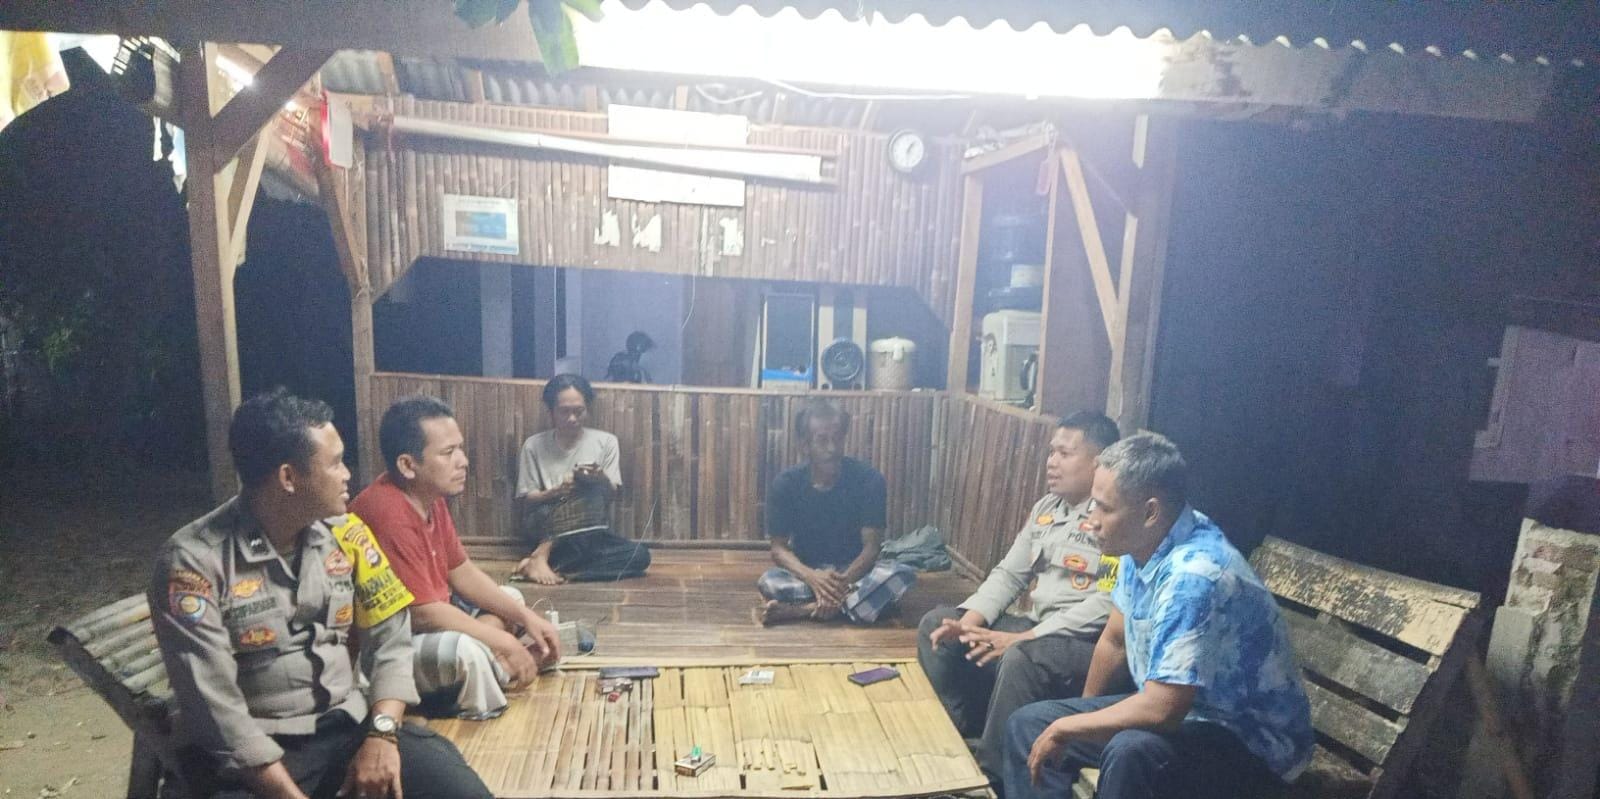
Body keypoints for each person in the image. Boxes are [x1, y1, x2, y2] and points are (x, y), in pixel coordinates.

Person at [148, 388, 490, 799]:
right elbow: (216, 708)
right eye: (335, 463)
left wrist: (382, 735)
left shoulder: (347, 534)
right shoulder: (194, 562)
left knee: (459, 789)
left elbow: (391, 639)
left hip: (347, 731)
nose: (347, 475)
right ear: (288, 478)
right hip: (253, 763)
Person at [1004, 433, 1314, 799]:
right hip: (1186, 718)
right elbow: (1114, 641)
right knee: (1030, 724)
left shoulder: (1194, 577)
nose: (1091, 520)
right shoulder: (1139, 545)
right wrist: (1078, 717)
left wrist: (1070, 728)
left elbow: (1163, 709)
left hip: (1251, 745)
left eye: (1104, 508)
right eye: (1092, 505)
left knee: (1132, 753)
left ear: (1150, 512)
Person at [918, 411, 1125, 783]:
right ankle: (961, 736)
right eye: (1051, 452)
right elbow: (1009, 574)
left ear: (1098, 463)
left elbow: (1107, 605)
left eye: (1064, 454)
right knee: (937, 625)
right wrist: (968, 623)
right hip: (1035, 629)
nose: (1051, 462)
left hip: (1082, 644)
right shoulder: (1046, 509)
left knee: (1020, 657)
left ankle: (991, 775)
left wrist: (1025, 638)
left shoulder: (1113, 517)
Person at [351, 395, 563, 720]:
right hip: (385, 650)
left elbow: (461, 570)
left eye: (460, 449)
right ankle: (497, 674)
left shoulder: (429, 496)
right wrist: (504, 642)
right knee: (467, 652)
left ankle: (496, 667)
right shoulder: (387, 512)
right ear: (407, 465)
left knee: (511, 598)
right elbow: (423, 613)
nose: (463, 461)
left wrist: (525, 619)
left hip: (432, 623)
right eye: (448, 453)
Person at [757, 398, 916, 625]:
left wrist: (841, 583)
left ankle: (802, 610)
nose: (832, 448)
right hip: (808, 571)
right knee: (770, 581)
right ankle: (859, 605)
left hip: (856, 572)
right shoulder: (786, 484)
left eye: (837, 438)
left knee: (901, 574)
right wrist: (814, 578)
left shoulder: (869, 481)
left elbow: (872, 548)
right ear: (804, 445)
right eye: (822, 440)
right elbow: (778, 549)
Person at [513, 374, 651, 584]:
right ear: (551, 411)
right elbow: (527, 499)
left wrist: (600, 479)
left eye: (579, 411)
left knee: (640, 556)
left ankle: (554, 567)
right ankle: (543, 553)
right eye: (564, 411)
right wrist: (556, 492)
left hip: (590, 530)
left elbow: (610, 495)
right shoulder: (533, 445)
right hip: (546, 524)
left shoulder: (606, 442)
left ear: (588, 409)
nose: (572, 418)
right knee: (579, 498)